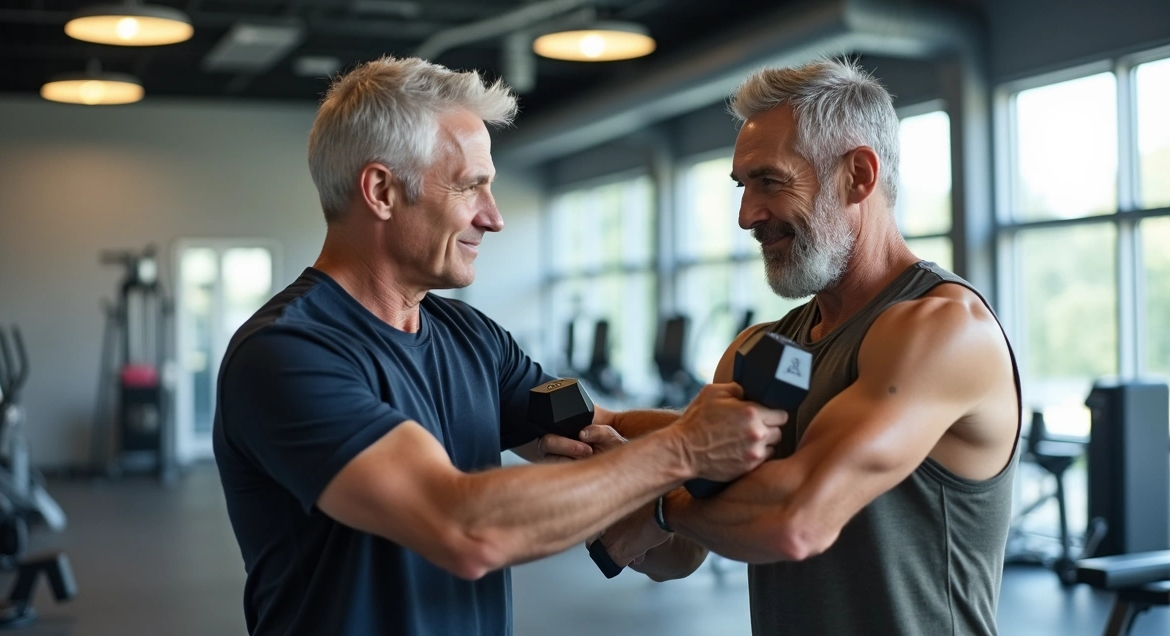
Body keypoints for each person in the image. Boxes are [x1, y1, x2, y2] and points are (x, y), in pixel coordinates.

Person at [211, 56, 784, 636]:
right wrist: (685, 450)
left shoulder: (473, 339)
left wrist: (754, 434)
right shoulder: (286, 353)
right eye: (470, 187)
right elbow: (461, 526)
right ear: (381, 190)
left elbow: (594, 429)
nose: (494, 218)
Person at [586, 58, 1021, 636]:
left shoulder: (941, 328)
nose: (747, 216)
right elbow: (678, 556)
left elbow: (796, 520)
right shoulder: (761, 346)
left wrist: (659, 503)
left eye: (770, 180)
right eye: (743, 187)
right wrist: (616, 491)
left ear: (858, 177)